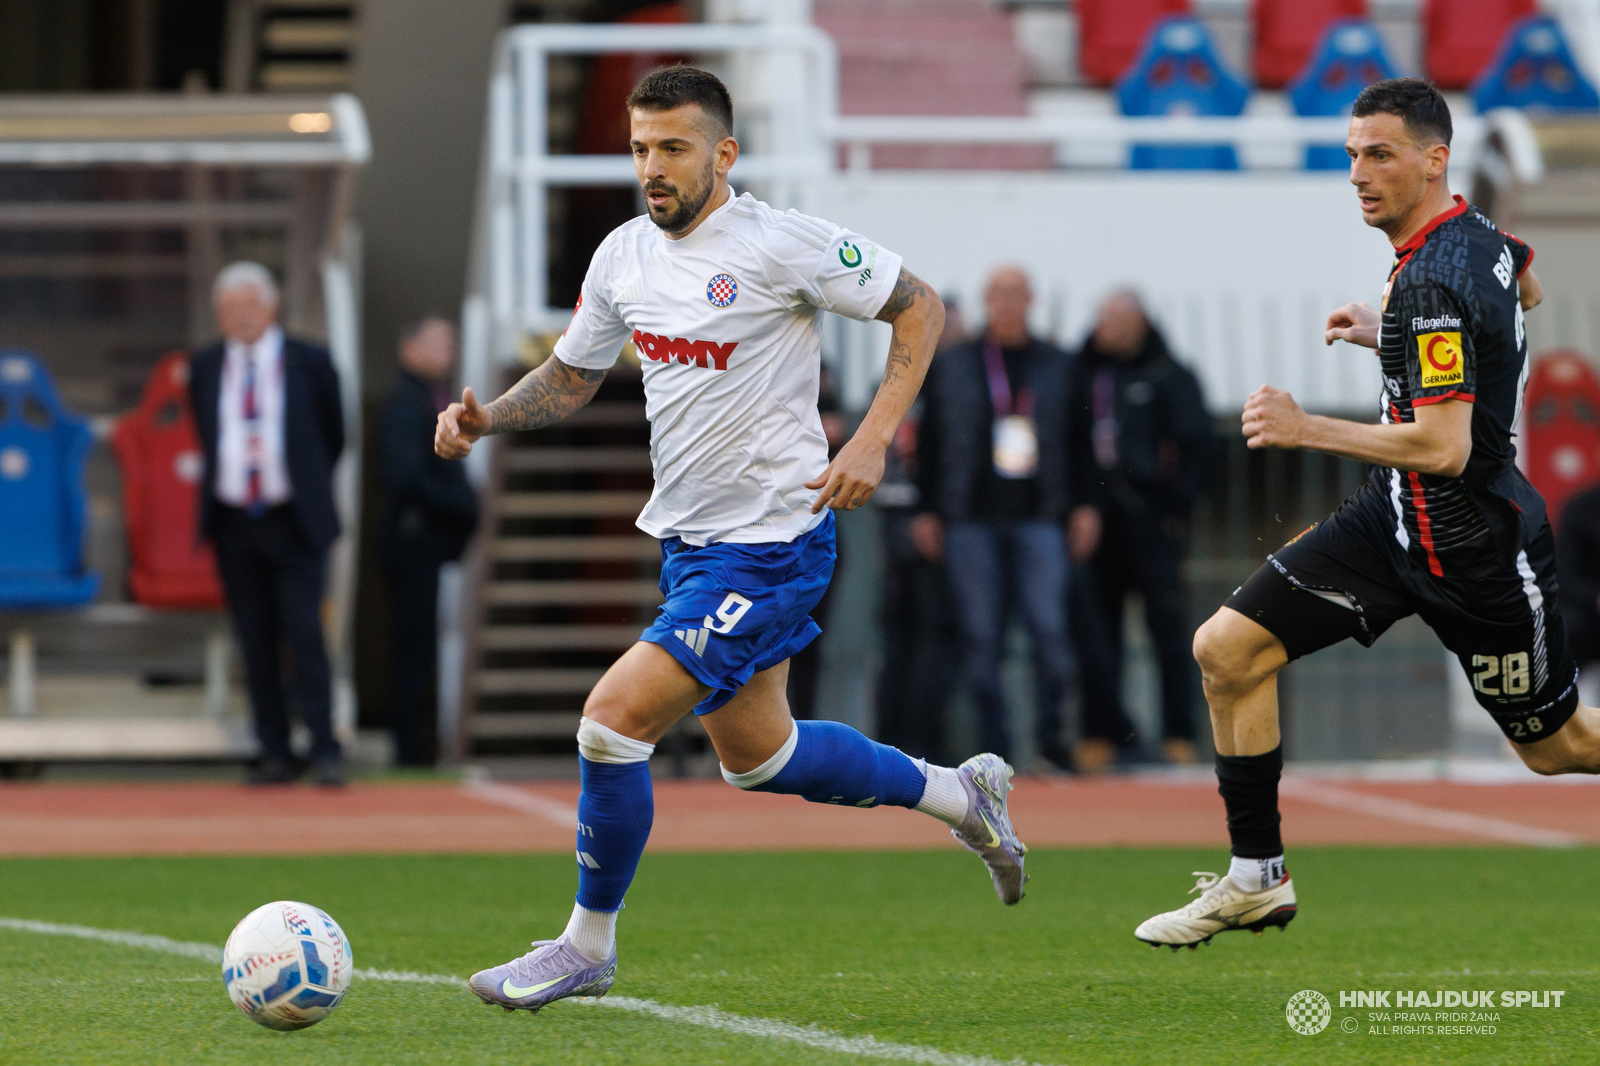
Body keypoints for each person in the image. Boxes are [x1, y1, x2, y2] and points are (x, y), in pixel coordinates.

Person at [434, 66, 1028, 1013]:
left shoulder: (778, 243)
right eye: (639, 149)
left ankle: (586, 945)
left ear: (723, 153)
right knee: (762, 757)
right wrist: (489, 418)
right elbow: (575, 374)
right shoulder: (622, 255)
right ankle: (963, 795)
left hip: (774, 545)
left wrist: (871, 437)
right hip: (691, 547)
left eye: (672, 148)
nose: (652, 168)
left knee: (610, 720)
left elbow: (921, 306)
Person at [1133, 78, 1598, 950]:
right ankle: (1254, 880)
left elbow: (1445, 448)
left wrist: (1308, 426)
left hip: (1479, 548)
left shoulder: (1431, 280)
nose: (1358, 173)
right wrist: (1390, 325)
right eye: (1351, 154)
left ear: (1434, 159)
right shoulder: (1473, 237)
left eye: (1379, 154)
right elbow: (1523, 288)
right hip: (1391, 525)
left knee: (1558, 749)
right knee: (1227, 649)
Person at [189, 262, 346, 787]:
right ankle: (274, 749)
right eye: (231, 309)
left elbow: (334, 435)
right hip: (235, 522)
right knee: (253, 640)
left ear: (273, 306)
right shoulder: (206, 365)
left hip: (294, 521)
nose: (242, 317)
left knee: (305, 634)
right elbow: (207, 433)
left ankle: (324, 746)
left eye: (251, 305)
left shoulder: (310, 360)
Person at [912, 267, 1075, 769]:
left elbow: (1081, 437)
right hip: (969, 520)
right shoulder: (956, 363)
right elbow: (931, 441)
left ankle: (1052, 741)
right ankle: (995, 748)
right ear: (986, 300)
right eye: (998, 294)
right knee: (981, 636)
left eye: (1016, 294)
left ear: (1031, 299)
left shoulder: (1058, 364)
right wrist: (926, 510)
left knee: (1049, 630)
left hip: (1040, 518)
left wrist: (1085, 507)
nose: (1007, 303)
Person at [1067, 291, 1216, 771]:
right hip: (1098, 524)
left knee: (1169, 631)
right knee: (1096, 633)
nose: (1104, 329)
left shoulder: (1170, 376)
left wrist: (1175, 507)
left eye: (1114, 320)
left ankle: (1179, 733)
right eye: (1101, 319)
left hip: (1153, 523)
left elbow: (1199, 446)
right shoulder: (1086, 375)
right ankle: (1102, 732)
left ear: (1138, 323)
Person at [378, 317, 479, 767]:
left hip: (433, 541)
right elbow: (402, 475)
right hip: (413, 542)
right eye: (435, 340)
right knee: (413, 648)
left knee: (425, 647)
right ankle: (409, 751)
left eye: (450, 340)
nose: (446, 348)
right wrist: (460, 503)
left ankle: (419, 746)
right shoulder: (405, 403)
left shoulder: (435, 398)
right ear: (408, 347)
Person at [874, 299, 968, 762]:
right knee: (934, 633)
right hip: (923, 520)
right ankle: (920, 739)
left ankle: (891, 735)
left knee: (899, 634)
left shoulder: (892, 378)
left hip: (892, 516)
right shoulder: (948, 383)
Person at [1557, 484, 1600, 678]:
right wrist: (1595, 598)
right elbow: (1563, 574)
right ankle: (1560, 703)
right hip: (1588, 615)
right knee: (1563, 631)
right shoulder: (1582, 506)